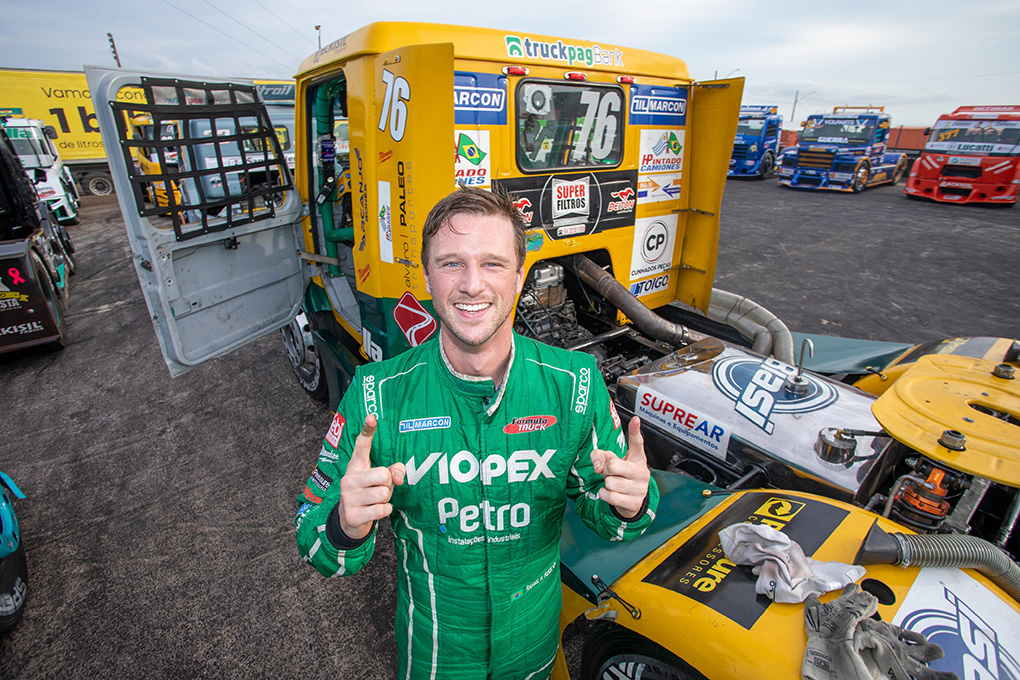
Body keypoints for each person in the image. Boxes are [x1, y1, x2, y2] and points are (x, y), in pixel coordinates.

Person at [294, 186, 659, 680]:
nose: (471, 284)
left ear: (519, 275)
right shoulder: (376, 393)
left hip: (534, 645)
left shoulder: (576, 382)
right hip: (434, 653)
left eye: (492, 263)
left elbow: (614, 518)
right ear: (427, 276)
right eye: (451, 264)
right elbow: (316, 542)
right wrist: (344, 523)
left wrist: (631, 503)